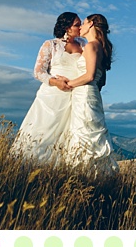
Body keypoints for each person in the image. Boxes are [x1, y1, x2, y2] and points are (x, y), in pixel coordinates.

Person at [10, 12, 83, 164]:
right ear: (67, 27)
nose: (80, 27)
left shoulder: (83, 44)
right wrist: (57, 83)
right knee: (43, 130)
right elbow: (38, 72)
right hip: (52, 96)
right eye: (77, 24)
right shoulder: (51, 45)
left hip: (75, 94)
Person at [63, 13, 118, 174]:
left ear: (92, 24)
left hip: (85, 94)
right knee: (88, 131)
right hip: (91, 94)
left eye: (84, 23)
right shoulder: (100, 47)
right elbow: (102, 81)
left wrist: (68, 84)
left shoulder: (91, 46)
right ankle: (93, 174)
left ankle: (83, 174)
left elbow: (90, 76)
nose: (80, 27)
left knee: (84, 132)